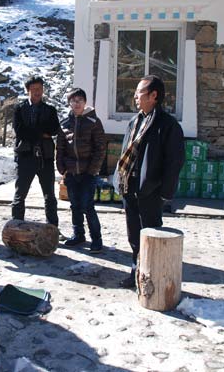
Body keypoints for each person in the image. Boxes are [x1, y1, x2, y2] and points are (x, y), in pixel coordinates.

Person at [113, 75, 185, 289]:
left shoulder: (168, 125)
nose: (135, 96)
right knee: (134, 235)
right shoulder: (134, 121)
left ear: (154, 95)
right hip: (130, 187)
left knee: (151, 234)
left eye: (139, 92)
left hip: (150, 190)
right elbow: (125, 153)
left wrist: (165, 193)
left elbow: (174, 162)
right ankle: (135, 272)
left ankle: (153, 276)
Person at [56, 87, 106, 253]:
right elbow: (60, 148)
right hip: (71, 172)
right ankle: (78, 235)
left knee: (87, 206)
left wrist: (92, 170)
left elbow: (100, 148)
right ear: (69, 103)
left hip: (87, 173)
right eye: (73, 101)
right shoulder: (65, 123)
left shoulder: (93, 122)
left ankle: (96, 239)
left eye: (79, 100)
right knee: (75, 206)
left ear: (85, 102)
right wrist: (62, 168)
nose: (76, 104)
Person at [11, 75, 60, 226]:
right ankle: (16, 226)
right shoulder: (19, 109)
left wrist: (32, 131)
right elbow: (20, 132)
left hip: (45, 157)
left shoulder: (50, 110)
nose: (37, 92)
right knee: (20, 194)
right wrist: (41, 132)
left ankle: (52, 228)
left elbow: (54, 129)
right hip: (25, 156)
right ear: (28, 91)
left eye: (39, 89)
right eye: (34, 89)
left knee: (49, 195)